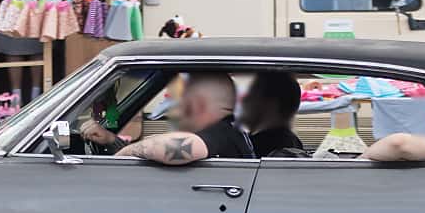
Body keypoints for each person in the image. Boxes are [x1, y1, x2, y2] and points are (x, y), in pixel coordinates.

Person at [80, 71, 253, 165]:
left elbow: (183, 147)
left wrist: (125, 153)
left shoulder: (220, 133)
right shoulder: (230, 130)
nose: (176, 115)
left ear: (197, 105)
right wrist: (111, 141)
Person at [238, 70, 304, 157]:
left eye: (252, 95)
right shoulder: (294, 141)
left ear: (270, 104)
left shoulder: (256, 147)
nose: (244, 101)